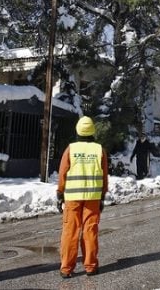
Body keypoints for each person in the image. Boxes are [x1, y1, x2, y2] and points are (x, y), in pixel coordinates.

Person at [56, 116, 109, 278]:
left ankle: (66, 269)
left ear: (78, 130)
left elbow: (63, 172)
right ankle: (91, 266)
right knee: (90, 231)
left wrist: (60, 193)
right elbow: (104, 176)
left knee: (70, 232)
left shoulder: (70, 149)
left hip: (72, 198)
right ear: (93, 130)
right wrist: (102, 197)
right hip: (92, 198)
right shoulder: (99, 150)